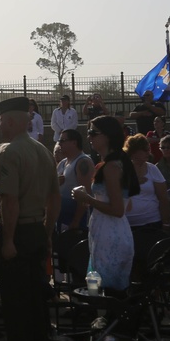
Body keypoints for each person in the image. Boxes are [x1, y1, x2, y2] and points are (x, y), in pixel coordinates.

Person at [0, 97, 61, 341]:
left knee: (17, 307)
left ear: (11, 121)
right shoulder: (43, 150)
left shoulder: (9, 153)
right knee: (36, 305)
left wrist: (7, 240)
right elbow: (54, 197)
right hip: (36, 232)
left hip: (17, 234)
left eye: (1, 121)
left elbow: (9, 200)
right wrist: (46, 233)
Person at [72, 116, 139, 293]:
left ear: (108, 136)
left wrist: (87, 198)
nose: (89, 137)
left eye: (93, 133)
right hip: (113, 231)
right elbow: (127, 206)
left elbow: (118, 210)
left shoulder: (111, 166)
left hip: (110, 235)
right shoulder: (119, 162)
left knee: (107, 292)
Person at [124, 134, 170, 237]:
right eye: (145, 150)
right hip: (126, 225)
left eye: (148, 149)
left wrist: (166, 223)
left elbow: (163, 198)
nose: (148, 152)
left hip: (152, 223)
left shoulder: (152, 169)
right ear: (134, 152)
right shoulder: (121, 170)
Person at [55, 128, 94, 231]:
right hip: (61, 218)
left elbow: (86, 194)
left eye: (62, 140)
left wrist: (76, 220)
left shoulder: (82, 162)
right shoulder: (62, 163)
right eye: (59, 141)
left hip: (77, 220)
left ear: (74, 143)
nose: (59, 144)